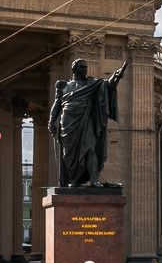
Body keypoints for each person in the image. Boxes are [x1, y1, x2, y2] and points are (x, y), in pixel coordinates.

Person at [48, 58, 127, 187]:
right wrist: (51, 122)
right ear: (74, 69)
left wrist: (116, 76)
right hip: (67, 123)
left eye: (85, 67)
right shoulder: (63, 86)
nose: (85, 70)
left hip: (86, 121)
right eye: (82, 67)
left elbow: (107, 85)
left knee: (90, 149)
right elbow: (56, 105)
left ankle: (94, 179)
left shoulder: (92, 84)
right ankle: (74, 180)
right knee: (69, 155)